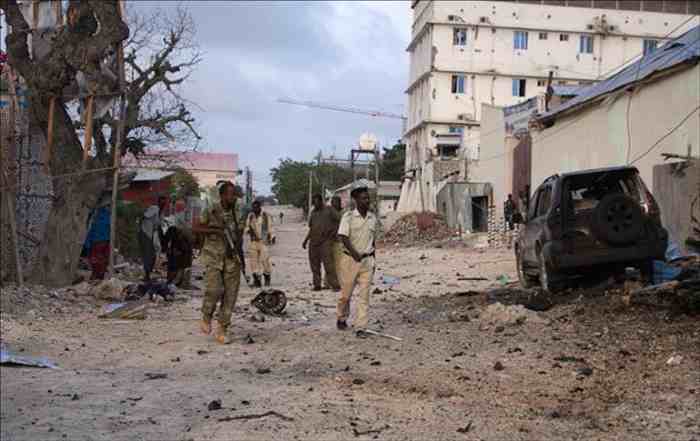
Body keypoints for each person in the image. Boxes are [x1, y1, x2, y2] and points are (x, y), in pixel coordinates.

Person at [193, 182, 245, 344]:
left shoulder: (238, 211)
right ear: (222, 195)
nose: (232, 197)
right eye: (229, 194)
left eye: (234, 194)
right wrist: (216, 231)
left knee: (230, 295)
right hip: (213, 256)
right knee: (214, 289)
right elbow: (196, 228)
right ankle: (206, 316)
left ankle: (222, 328)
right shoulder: (211, 209)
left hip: (231, 258)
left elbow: (240, 233)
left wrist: (237, 251)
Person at [336, 181, 378, 338]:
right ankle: (341, 317)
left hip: (367, 262)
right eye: (363, 198)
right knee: (345, 295)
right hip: (350, 261)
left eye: (368, 198)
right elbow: (343, 236)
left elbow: (373, 240)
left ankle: (361, 327)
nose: (367, 201)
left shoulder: (373, 218)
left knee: (364, 297)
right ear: (356, 200)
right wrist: (354, 254)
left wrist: (374, 259)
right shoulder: (348, 217)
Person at [302, 194, 340, 291]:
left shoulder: (329, 210)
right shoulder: (313, 213)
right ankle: (317, 285)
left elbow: (339, 220)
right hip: (313, 242)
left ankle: (335, 285)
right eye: (314, 202)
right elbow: (311, 228)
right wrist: (305, 241)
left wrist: (333, 233)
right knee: (314, 265)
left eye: (317, 201)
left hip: (325, 241)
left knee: (329, 265)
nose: (315, 204)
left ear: (321, 201)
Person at [245, 200, 275, 287]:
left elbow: (270, 227)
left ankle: (267, 277)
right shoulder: (250, 216)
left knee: (265, 260)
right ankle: (257, 280)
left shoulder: (266, 215)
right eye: (253, 207)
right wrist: (250, 231)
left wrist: (272, 236)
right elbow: (246, 228)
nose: (254, 209)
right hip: (253, 241)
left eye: (256, 207)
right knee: (253, 261)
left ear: (259, 207)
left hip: (264, 241)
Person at [139, 195, 168, 282]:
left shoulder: (161, 213)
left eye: (165, 202)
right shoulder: (154, 208)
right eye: (162, 201)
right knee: (148, 255)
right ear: (158, 201)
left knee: (153, 255)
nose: (163, 203)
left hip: (151, 234)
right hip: (145, 232)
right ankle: (147, 275)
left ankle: (148, 274)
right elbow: (144, 216)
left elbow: (160, 226)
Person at [83, 195, 111, 280]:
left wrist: (87, 242)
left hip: (97, 240)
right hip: (105, 239)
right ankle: (99, 275)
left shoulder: (96, 214)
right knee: (102, 259)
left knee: (96, 259)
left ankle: (97, 275)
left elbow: (92, 228)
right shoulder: (107, 214)